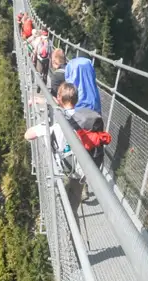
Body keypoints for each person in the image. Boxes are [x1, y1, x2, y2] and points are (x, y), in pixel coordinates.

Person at [24, 83, 110, 214]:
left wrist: (42, 123)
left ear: (59, 98)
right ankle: (73, 228)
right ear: (77, 99)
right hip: (81, 171)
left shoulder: (57, 124)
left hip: (61, 173)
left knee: (62, 211)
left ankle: (66, 228)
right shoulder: (84, 120)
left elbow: (28, 135)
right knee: (72, 209)